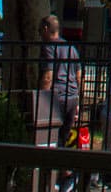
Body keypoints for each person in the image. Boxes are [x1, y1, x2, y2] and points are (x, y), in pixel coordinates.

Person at [39, 14, 83, 191]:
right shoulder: (71, 48)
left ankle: (57, 177)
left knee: (50, 138)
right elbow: (79, 76)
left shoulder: (49, 47)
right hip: (71, 97)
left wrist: (42, 100)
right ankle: (66, 176)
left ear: (45, 29)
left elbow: (48, 76)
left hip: (56, 97)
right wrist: (78, 99)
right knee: (63, 138)